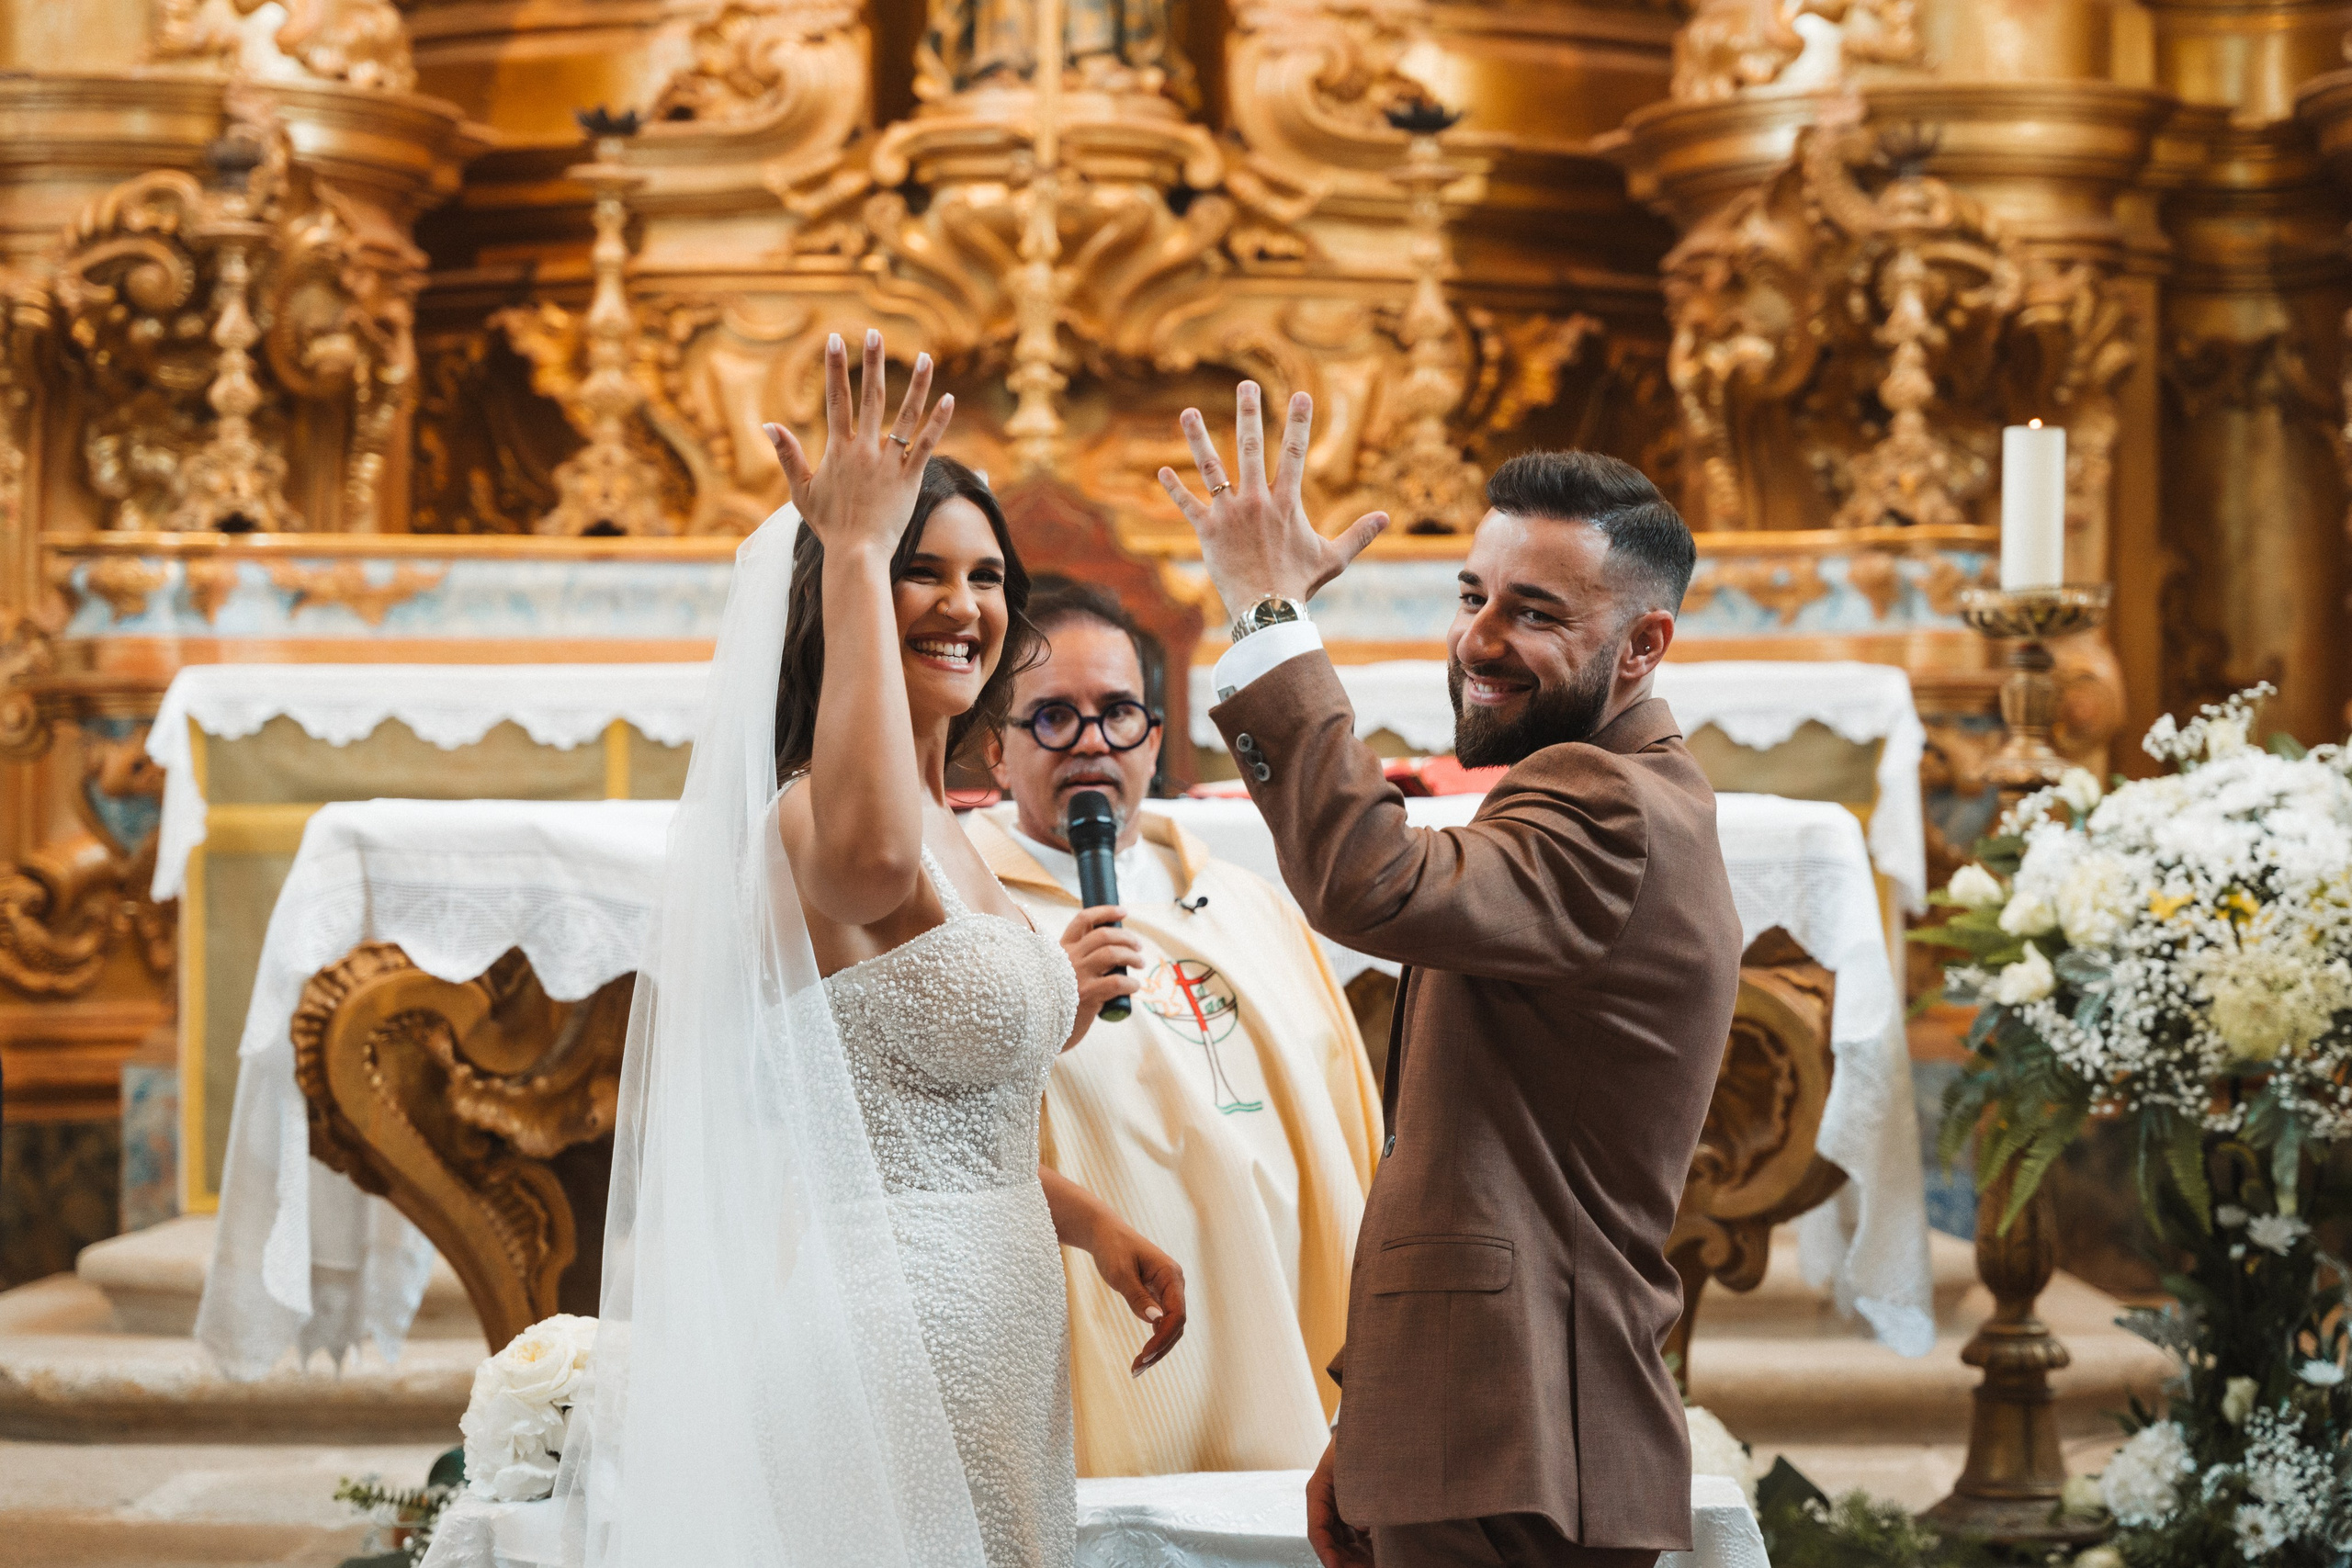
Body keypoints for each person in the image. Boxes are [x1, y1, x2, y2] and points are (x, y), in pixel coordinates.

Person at [554, 330, 1183, 1568]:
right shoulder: (820, 817)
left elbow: (912, 1123)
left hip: (994, 1311)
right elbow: (868, 870)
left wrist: (1090, 1222)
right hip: (901, 1332)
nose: (967, 606)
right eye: (922, 571)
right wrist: (849, 543)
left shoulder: (949, 825)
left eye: (990, 576)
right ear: (839, 597)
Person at [1158, 386, 1743, 1568]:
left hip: (1518, 1423)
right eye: (1471, 596)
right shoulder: (1605, 792)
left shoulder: (1608, 804)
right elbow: (1466, 1142)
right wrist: (1373, 1416)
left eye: (1534, 612)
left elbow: (1367, 881)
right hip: (1479, 1416)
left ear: (1643, 644)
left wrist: (1269, 617)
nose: (1479, 641)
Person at [967, 580, 1383, 1476]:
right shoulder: (963, 911)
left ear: (1156, 737)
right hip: (1115, 1322)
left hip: (1278, 1303)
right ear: (995, 751)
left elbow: (1346, 1122)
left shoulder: (1248, 902)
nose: (1090, 743)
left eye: (1119, 713)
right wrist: (1047, 1013)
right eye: (1051, 718)